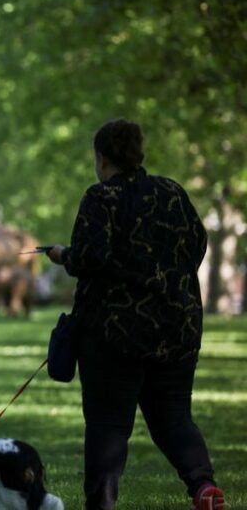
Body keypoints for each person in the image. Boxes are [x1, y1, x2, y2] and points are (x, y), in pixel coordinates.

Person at [47, 119, 224, 510]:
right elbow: (197, 245)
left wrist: (64, 256)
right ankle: (202, 486)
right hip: (178, 329)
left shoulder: (100, 197)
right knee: (176, 418)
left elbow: (91, 257)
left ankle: (102, 506)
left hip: (115, 334)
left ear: (102, 157)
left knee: (109, 425)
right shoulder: (174, 193)